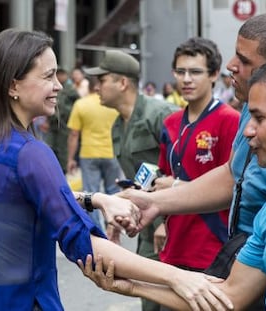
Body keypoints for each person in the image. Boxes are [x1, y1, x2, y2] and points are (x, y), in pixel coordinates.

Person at [0, 28, 232, 311]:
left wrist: (97, 199)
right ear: (13, 85)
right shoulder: (29, 153)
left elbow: (20, 197)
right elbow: (83, 243)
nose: (59, 85)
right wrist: (177, 278)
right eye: (48, 76)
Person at [79, 58, 266, 311]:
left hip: (209, 240)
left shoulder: (224, 119)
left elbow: (228, 178)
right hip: (184, 242)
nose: (248, 131)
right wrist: (132, 286)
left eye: (258, 117)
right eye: (180, 71)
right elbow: (229, 298)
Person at [84, 49, 179, 311]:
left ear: (122, 83)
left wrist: (167, 220)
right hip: (147, 224)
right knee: (150, 298)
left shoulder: (160, 114)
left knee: (173, 296)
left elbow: (183, 171)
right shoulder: (118, 125)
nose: (96, 87)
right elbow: (141, 178)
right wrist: (118, 214)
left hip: (173, 224)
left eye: (102, 80)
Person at [152, 37, 240, 272]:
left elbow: (232, 187)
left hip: (212, 249)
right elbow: (164, 179)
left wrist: (175, 186)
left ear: (213, 75)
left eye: (195, 72)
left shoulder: (230, 121)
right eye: (180, 72)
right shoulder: (170, 123)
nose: (186, 79)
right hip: (173, 247)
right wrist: (162, 223)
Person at [66, 76, 122, 233]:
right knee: (113, 192)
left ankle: (96, 234)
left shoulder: (81, 104)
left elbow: (74, 134)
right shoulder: (112, 105)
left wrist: (70, 158)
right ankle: (114, 227)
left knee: (90, 195)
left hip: (89, 153)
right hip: (112, 152)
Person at [45, 68, 80, 172]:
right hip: (53, 123)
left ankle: (63, 170)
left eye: (61, 74)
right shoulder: (53, 86)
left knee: (63, 149)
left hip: (65, 123)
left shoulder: (70, 89)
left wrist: (68, 111)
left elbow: (77, 103)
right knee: (50, 147)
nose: (59, 76)